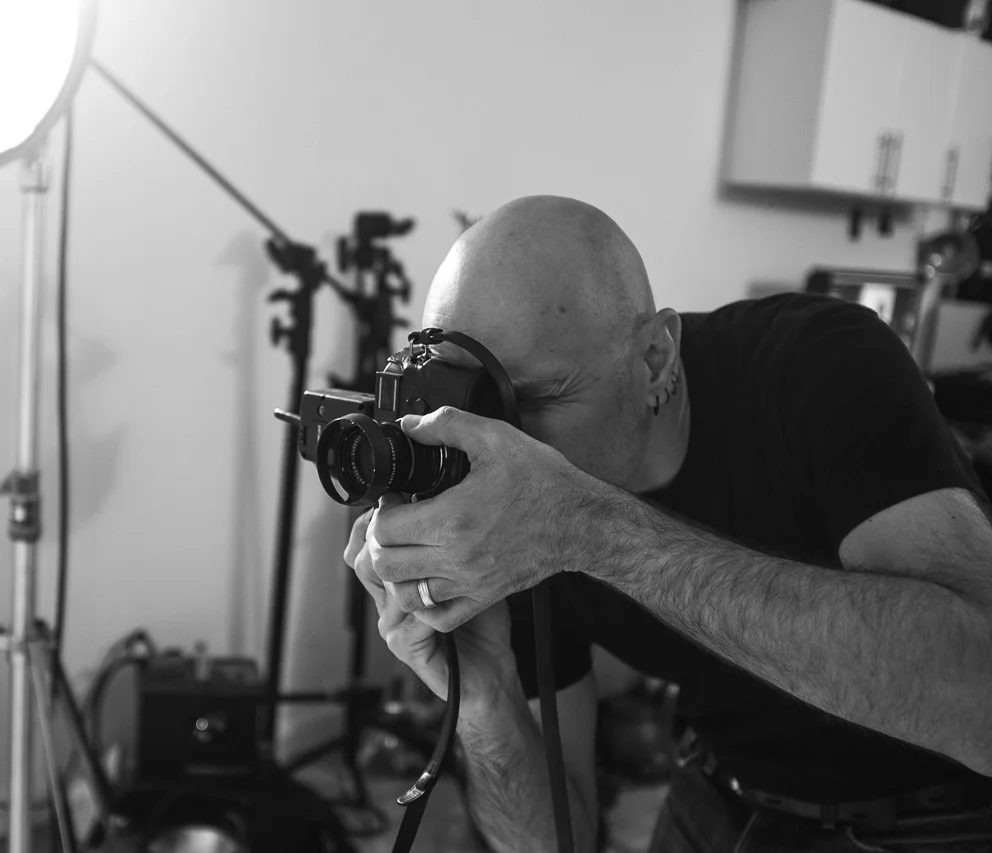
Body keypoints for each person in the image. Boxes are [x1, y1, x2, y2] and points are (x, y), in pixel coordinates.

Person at [343, 195, 992, 853]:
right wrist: (485, 699)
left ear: (655, 357)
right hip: (720, 789)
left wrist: (587, 529)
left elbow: (980, 701)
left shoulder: (819, 363)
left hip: (930, 814)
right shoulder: (496, 475)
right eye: (472, 402)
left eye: (533, 399)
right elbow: (555, 840)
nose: (504, 448)